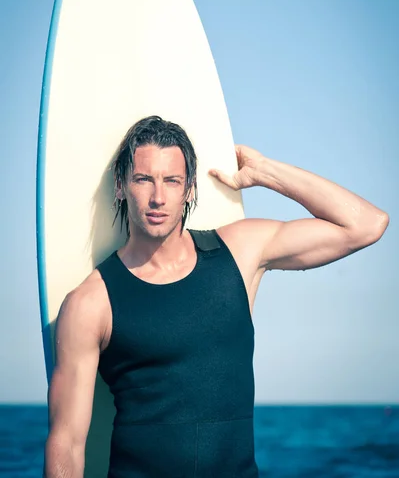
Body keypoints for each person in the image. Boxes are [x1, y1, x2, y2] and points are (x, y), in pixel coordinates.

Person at [44, 115, 389, 478]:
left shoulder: (238, 254)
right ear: (120, 186)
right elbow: (66, 442)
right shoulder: (90, 303)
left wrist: (265, 172)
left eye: (172, 181)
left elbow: (366, 224)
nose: (158, 197)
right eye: (143, 179)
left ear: (190, 188)